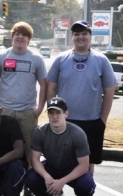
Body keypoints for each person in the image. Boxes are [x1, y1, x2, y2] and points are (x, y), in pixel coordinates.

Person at [47, 20, 116, 174]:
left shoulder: (101, 60)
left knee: (89, 161)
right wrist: (52, 114)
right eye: (77, 34)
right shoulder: (61, 59)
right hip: (65, 121)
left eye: (84, 33)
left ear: (90, 36)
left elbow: (109, 91)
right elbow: (51, 88)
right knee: (60, 159)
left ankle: (87, 192)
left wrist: (102, 120)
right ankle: (58, 190)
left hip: (92, 121)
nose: (80, 37)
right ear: (72, 36)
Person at [0, 21, 47, 196]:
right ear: (12, 36)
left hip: (27, 112)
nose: (20, 37)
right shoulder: (2, 56)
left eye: (24, 35)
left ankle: (28, 184)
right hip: (5, 111)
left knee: (29, 150)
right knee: (3, 149)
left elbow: (43, 85)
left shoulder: (36, 59)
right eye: (17, 34)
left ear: (29, 39)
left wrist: (39, 108)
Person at [24, 97, 96, 196]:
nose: (54, 116)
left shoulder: (77, 133)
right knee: (30, 178)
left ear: (66, 113)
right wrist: (47, 177)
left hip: (73, 169)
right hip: (52, 167)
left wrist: (62, 182)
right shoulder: (40, 132)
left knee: (87, 184)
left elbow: (84, 166)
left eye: (58, 112)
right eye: (51, 113)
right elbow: (34, 159)